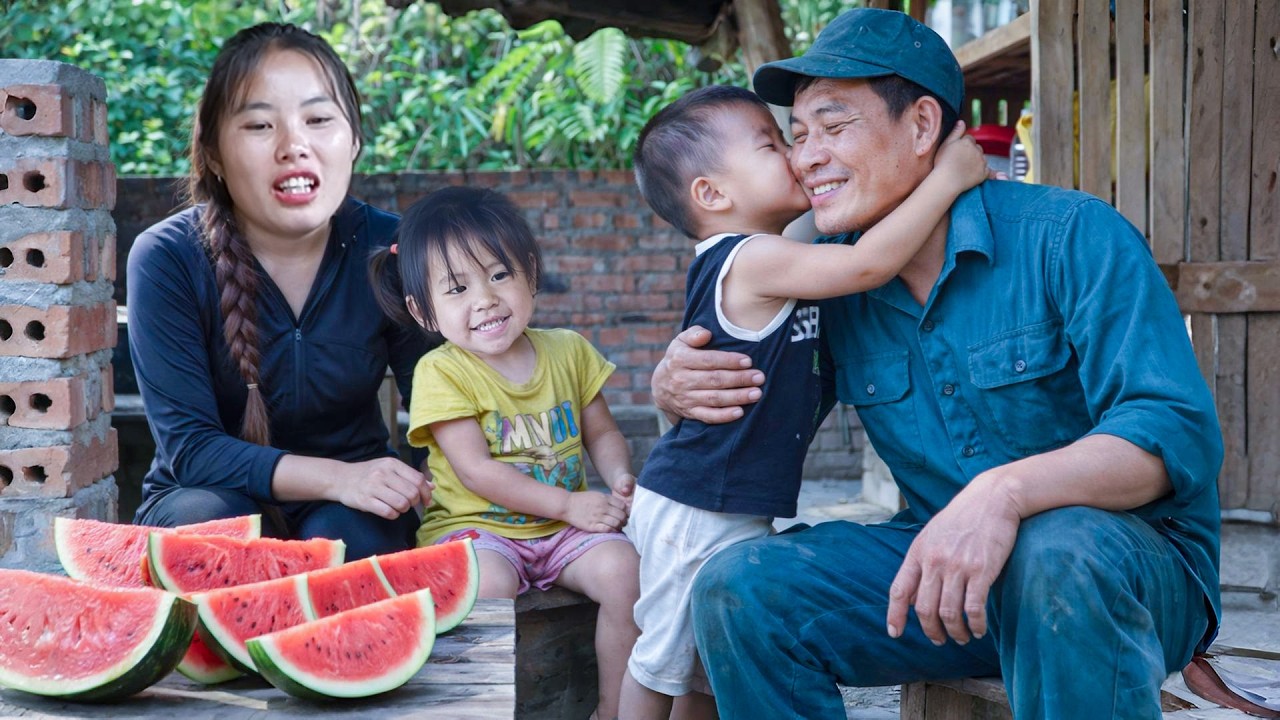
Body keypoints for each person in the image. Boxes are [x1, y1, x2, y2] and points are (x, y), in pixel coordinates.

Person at [652, 9, 1223, 719]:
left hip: (1125, 576)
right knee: (739, 586)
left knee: (1054, 552)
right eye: (796, 137)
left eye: (834, 127)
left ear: (923, 126)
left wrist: (1004, 494)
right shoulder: (833, 281)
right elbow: (750, 403)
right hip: (947, 580)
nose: (806, 158)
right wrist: (673, 386)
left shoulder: (1071, 235)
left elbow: (1172, 435)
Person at [619, 85, 988, 720]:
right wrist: (948, 178)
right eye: (773, 144)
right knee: (663, 661)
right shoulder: (753, 258)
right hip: (699, 500)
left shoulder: (769, 252)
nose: (796, 156)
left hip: (726, 493)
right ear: (712, 194)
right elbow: (870, 264)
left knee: (706, 660)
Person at [127, 23, 433, 560]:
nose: (295, 146)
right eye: (260, 125)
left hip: (355, 508)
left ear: (354, 139)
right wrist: (337, 478)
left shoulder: (394, 249)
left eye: (318, 119)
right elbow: (193, 451)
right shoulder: (167, 258)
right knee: (209, 526)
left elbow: (444, 405)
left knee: (352, 539)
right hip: (205, 496)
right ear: (215, 152)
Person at [369, 186, 641, 720]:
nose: (485, 300)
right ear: (424, 312)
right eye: (457, 288)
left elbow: (602, 433)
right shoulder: (442, 371)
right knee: (486, 584)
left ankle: (611, 707)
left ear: (530, 275)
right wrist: (568, 505)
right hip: (479, 528)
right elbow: (475, 470)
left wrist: (619, 476)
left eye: (499, 275)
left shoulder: (569, 350)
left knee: (625, 571)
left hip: (564, 531)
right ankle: (481, 707)